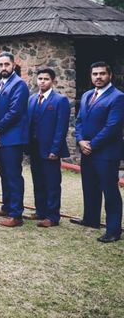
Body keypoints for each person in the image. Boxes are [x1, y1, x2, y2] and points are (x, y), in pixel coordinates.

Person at [73, 61, 124, 243]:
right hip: (87, 151)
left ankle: (113, 230)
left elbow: (112, 126)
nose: (98, 77)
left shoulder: (118, 97)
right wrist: (80, 141)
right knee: (90, 187)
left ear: (110, 75)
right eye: (95, 74)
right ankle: (91, 219)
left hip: (106, 153)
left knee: (109, 190)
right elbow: (79, 121)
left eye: (102, 74)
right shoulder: (87, 95)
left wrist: (92, 144)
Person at [0, 51, 29, 227]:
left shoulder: (19, 85)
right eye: (0, 65)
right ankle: (6, 206)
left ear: (13, 65)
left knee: (13, 175)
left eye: (6, 64)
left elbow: (14, 112)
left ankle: (16, 214)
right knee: (4, 174)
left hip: (12, 138)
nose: (3, 68)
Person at [25, 68, 70, 228]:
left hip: (50, 149)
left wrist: (55, 150)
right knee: (38, 180)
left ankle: (52, 216)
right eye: (40, 78)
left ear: (53, 81)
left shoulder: (60, 100)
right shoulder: (31, 99)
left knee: (52, 183)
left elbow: (61, 128)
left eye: (46, 79)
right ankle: (40, 211)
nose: (42, 81)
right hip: (34, 147)